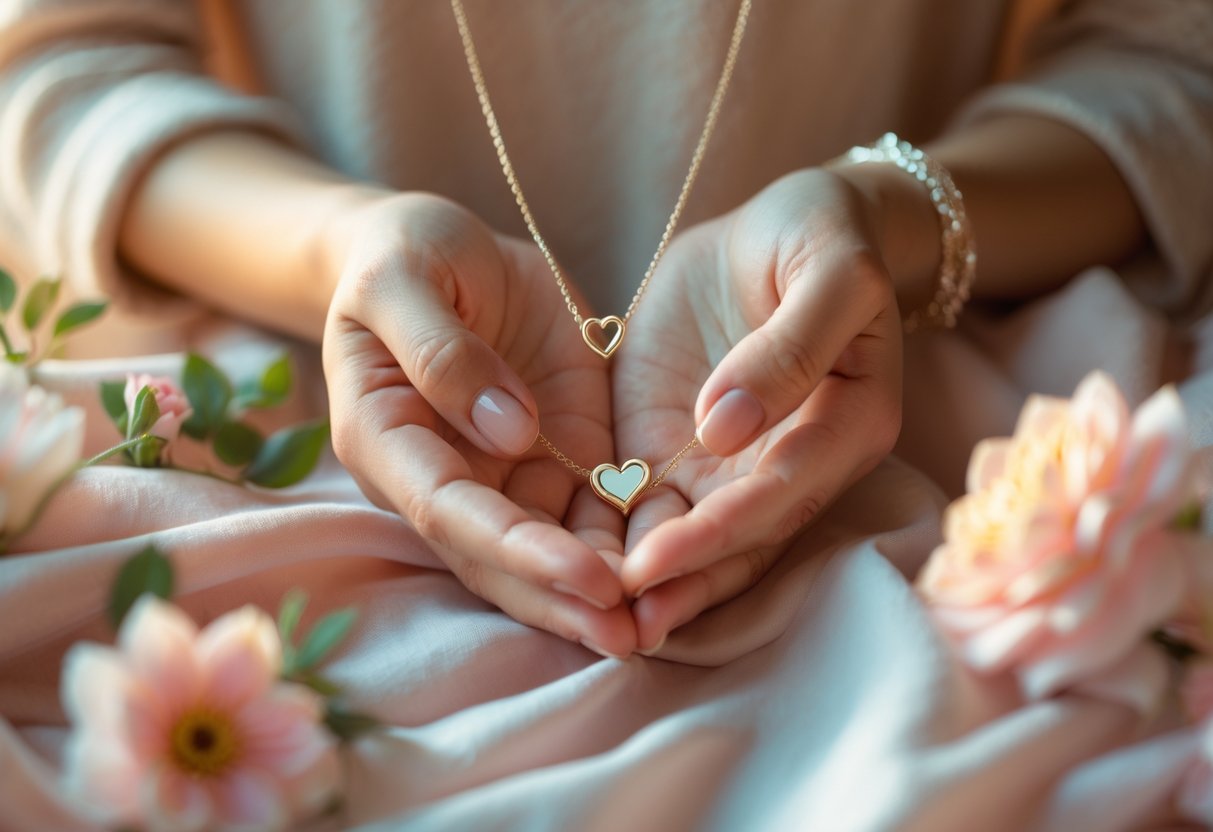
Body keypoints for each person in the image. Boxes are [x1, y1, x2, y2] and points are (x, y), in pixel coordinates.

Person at [0, 0, 1210, 665]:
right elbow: (61, 74)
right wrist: (341, 249)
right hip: (309, 449)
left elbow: (1170, 64)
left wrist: (883, 220)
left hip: (922, 450)